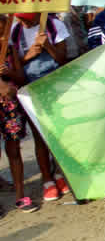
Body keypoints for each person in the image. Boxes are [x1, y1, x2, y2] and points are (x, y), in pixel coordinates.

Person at [6, 13, 71, 202]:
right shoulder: (14, 32)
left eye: (27, 19)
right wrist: (29, 55)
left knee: (59, 130)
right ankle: (47, 180)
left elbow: (62, 58)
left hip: (55, 84)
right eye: (21, 19)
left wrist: (47, 46)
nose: (24, 22)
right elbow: (17, 68)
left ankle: (60, 173)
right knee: (39, 135)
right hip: (31, 88)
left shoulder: (53, 25)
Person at [1, 24, 39, 211]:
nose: (1, 35)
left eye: (2, 31)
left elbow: (21, 78)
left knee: (14, 150)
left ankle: (20, 195)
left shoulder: (9, 49)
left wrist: (9, 74)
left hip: (10, 107)